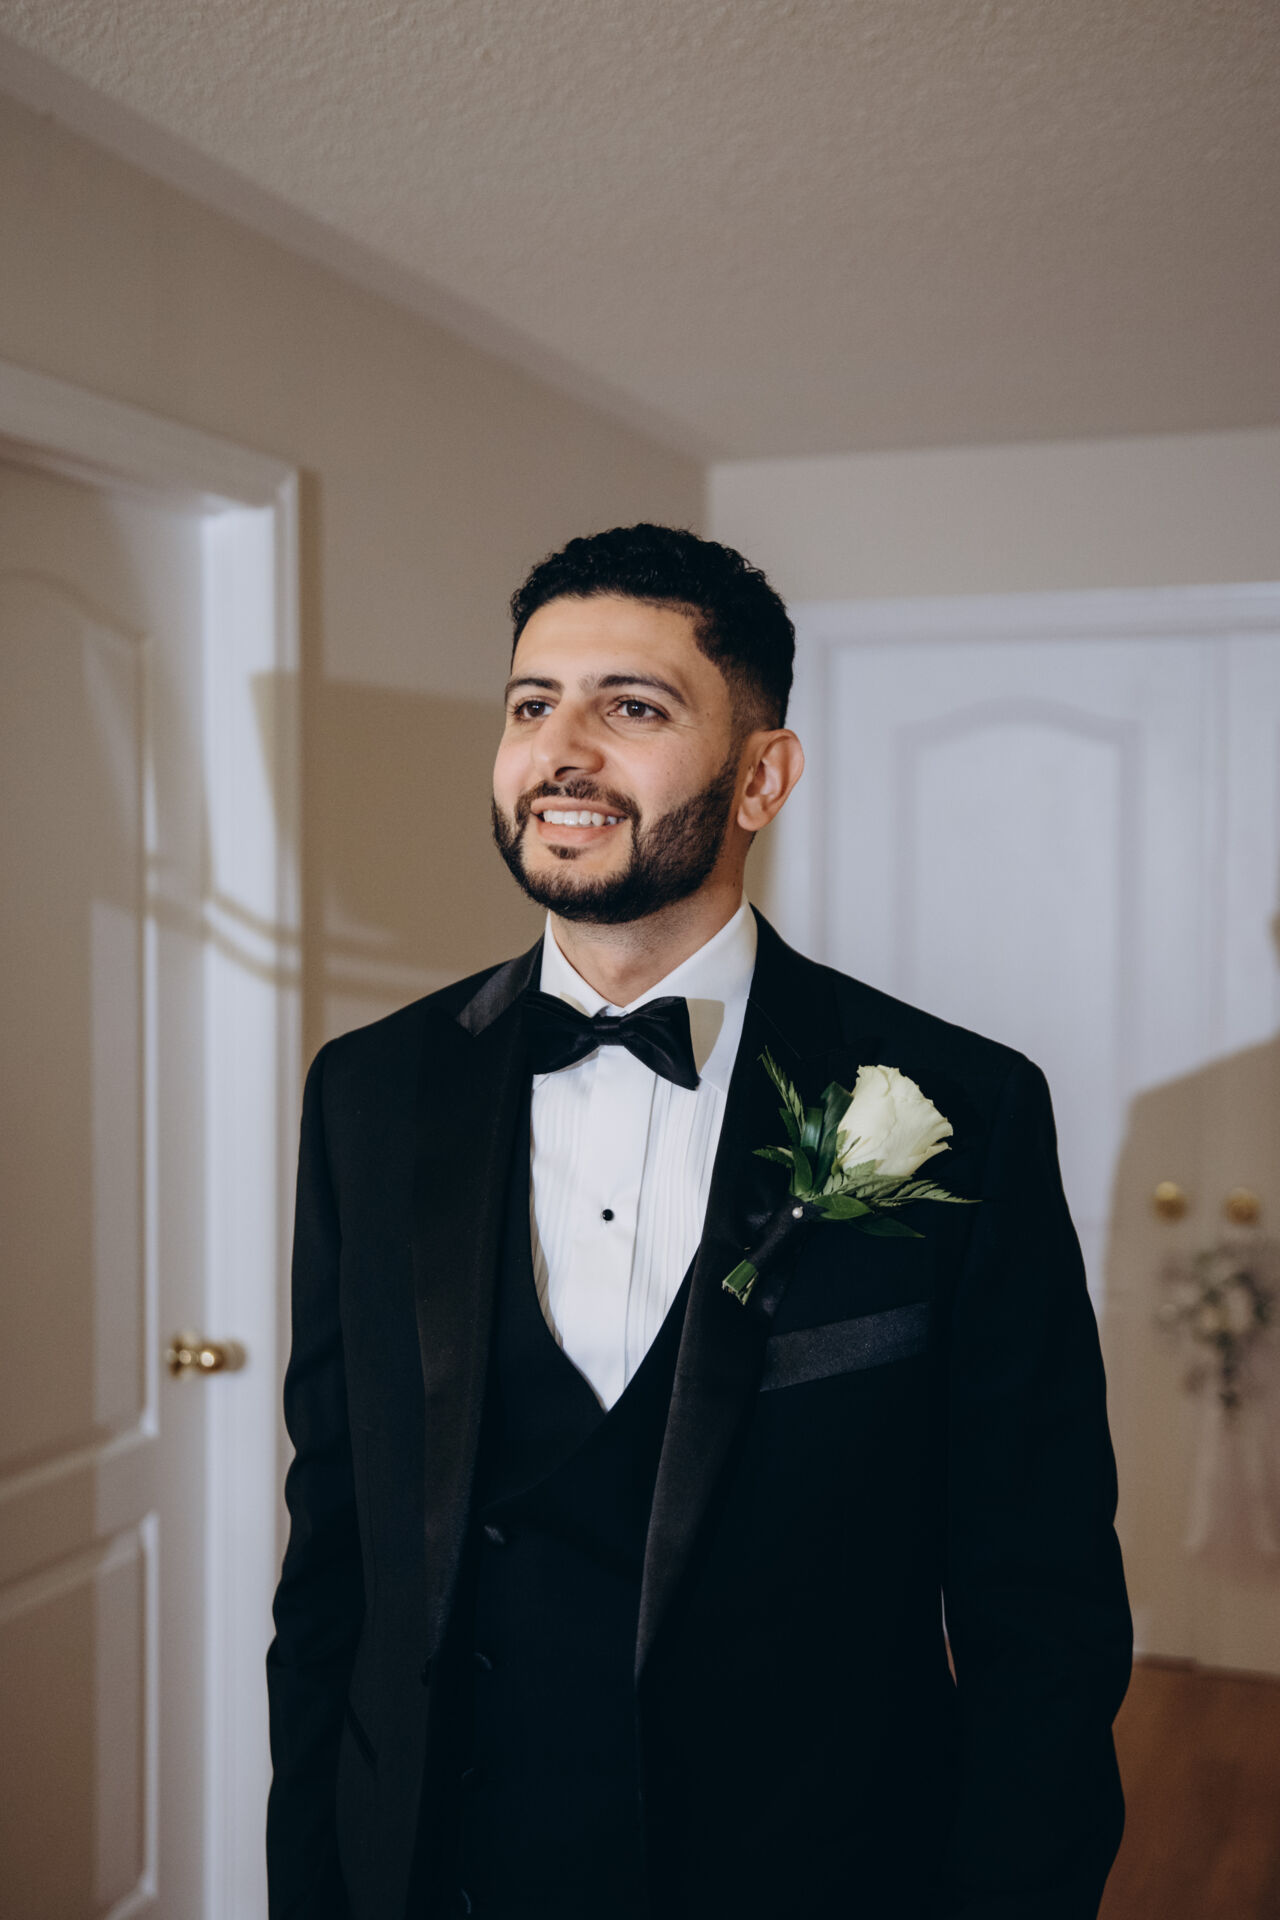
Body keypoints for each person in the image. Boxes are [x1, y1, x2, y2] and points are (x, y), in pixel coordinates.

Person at [266, 523, 1132, 1920]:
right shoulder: (368, 1092)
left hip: (817, 1874)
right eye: (531, 705)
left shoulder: (960, 1104)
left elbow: (1043, 1601)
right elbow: (332, 1554)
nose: (561, 752)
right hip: (441, 1872)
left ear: (763, 777)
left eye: (632, 708)